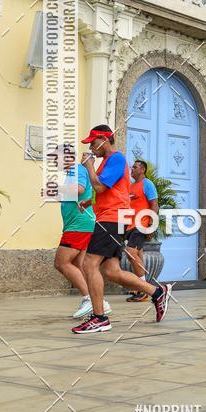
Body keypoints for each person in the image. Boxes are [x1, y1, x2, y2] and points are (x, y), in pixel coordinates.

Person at [71, 125, 172, 334]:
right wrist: (90, 202)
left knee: (89, 263)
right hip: (112, 217)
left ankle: (99, 318)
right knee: (111, 271)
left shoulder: (116, 159)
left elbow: (100, 186)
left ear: (103, 139)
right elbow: (112, 191)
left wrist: (89, 165)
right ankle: (157, 292)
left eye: (92, 142)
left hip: (111, 219)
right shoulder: (108, 162)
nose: (91, 147)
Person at [47, 144, 111, 319]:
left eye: (56, 157)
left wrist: (55, 189)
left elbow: (80, 189)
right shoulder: (72, 173)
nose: (54, 161)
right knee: (79, 265)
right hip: (78, 225)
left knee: (61, 262)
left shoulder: (77, 169)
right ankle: (99, 302)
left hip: (79, 225)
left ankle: (89, 299)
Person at [125, 159, 159, 303]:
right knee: (137, 256)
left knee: (130, 254)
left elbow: (154, 204)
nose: (132, 169)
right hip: (129, 226)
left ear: (142, 170)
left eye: (135, 167)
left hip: (141, 224)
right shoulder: (131, 186)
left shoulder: (148, 184)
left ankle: (144, 289)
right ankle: (140, 289)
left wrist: (151, 224)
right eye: (132, 167)